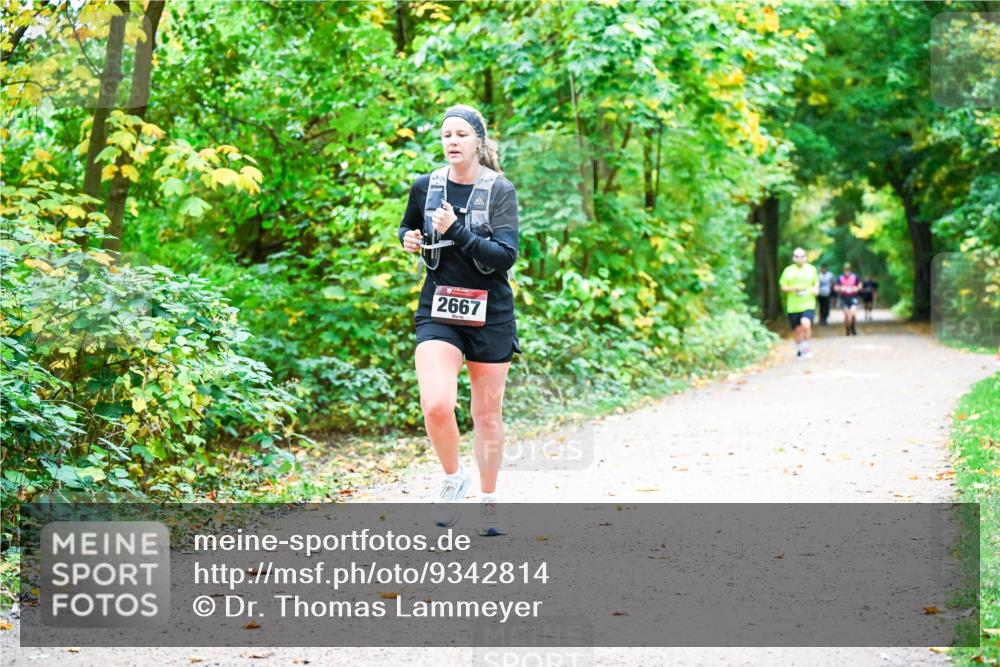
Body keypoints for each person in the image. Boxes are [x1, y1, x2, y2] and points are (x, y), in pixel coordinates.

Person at [397, 104, 520, 536]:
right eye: (446, 135)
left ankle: (488, 500)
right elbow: (407, 227)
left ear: (479, 142)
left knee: (486, 415)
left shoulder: (499, 190)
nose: (452, 141)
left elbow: (505, 255)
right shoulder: (425, 186)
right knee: (435, 404)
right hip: (440, 308)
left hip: (491, 312)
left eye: (461, 135)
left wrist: (457, 232)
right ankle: (453, 478)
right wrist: (409, 238)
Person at [779, 247, 819, 359]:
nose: (799, 258)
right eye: (797, 256)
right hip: (793, 306)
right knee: (797, 330)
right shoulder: (788, 271)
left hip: (808, 303)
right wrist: (793, 288)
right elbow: (783, 287)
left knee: (806, 323)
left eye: (802, 256)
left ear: (805, 257)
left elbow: (816, 283)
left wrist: (815, 289)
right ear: (793, 258)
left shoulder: (811, 269)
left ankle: (806, 346)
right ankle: (800, 348)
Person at [835, 262, 861, 335]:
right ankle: (847, 329)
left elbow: (860, 285)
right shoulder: (840, 277)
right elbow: (835, 287)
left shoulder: (855, 277)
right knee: (846, 315)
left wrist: (857, 288)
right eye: (846, 270)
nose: (847, 271)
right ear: (844, 270)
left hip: (853, 297)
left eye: (848, 270)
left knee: (853, 313)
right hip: (844, 298)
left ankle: (853, 326)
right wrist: (840, 288)